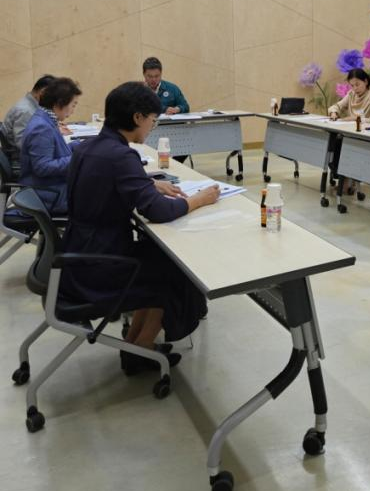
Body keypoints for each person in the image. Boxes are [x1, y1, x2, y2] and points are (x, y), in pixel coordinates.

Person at [61, 81, 219, 375]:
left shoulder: (88, 147)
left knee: (158, 257)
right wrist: (199, 199)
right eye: (152, 120)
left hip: (79, 252)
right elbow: (158, 211)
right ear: (137, 117)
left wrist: (147, 183)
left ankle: (134, 346)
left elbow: (106, 182)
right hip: (99, 265)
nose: (151, 127)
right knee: (175, 270)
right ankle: (142, 348)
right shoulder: (121, 156)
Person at [20, 77, 82, 215]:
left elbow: (56, 150)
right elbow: (43, 167)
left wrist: (80, 146)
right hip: (49, 195)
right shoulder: (41, 127)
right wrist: (77, 158)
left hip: (50, 188)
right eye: (73, 105)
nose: (73, 110)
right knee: (103, 194)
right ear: (60, 103)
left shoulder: (45, 119)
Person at [1, 75, 55, 175]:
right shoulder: (26, 110)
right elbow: (22, 143)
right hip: (21, 159)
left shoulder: (31, 105)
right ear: (42, 92)